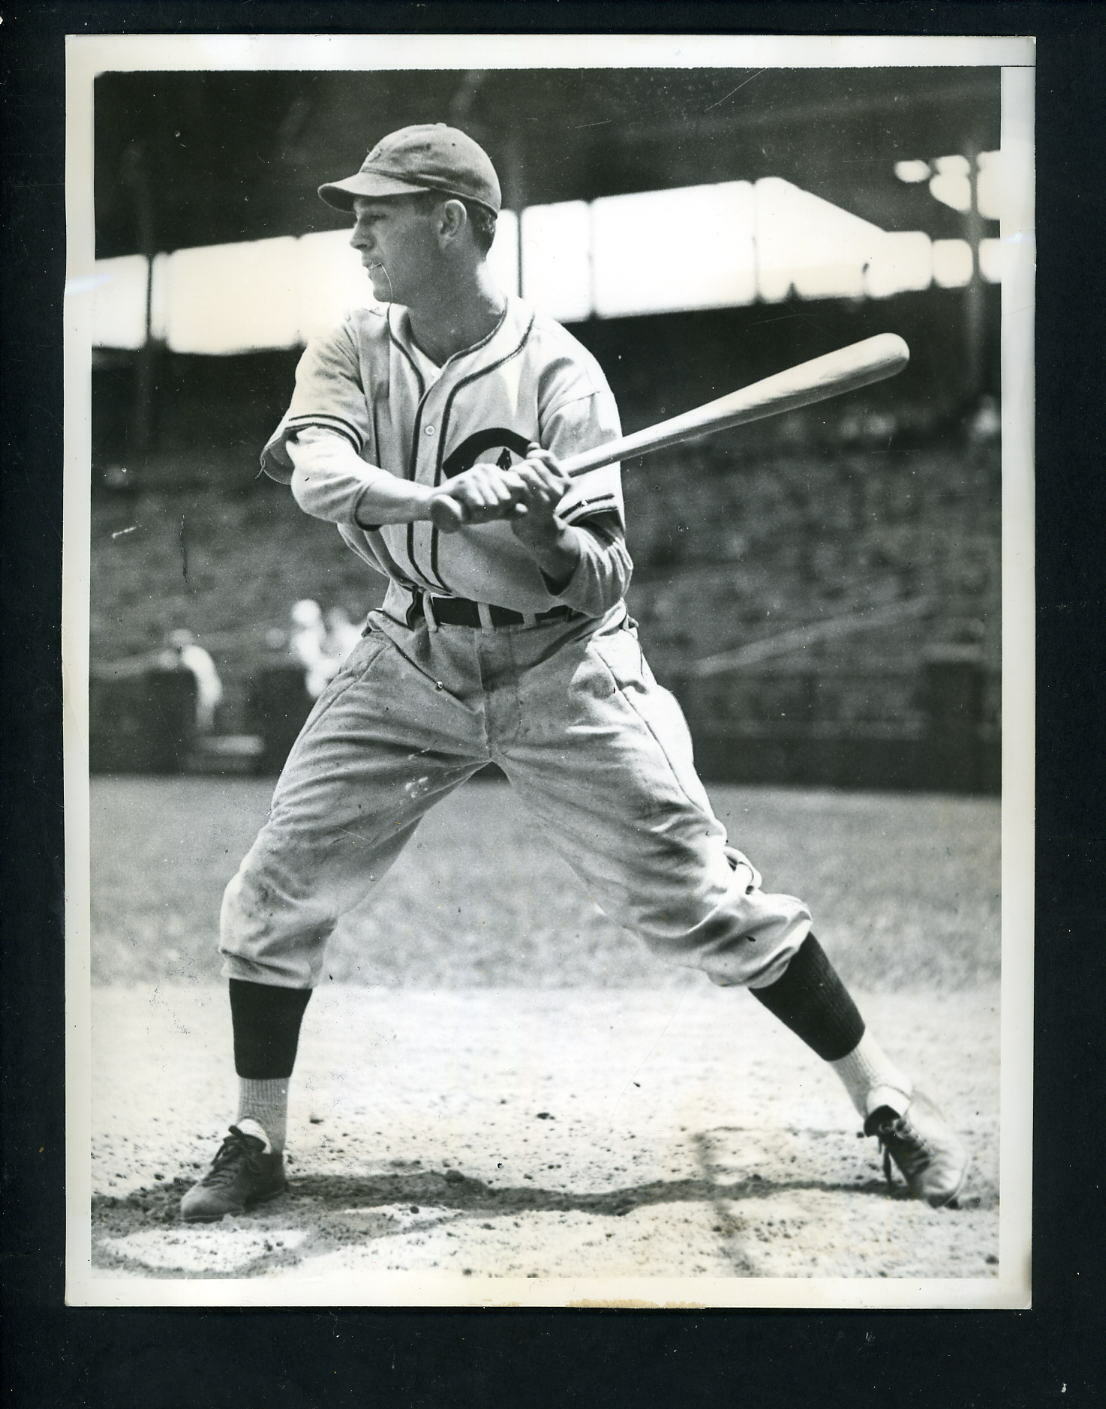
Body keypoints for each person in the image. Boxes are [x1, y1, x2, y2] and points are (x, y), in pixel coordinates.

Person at [180, 124, 968, 1222]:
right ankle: (257, 1130)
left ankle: (885, 1096)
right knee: (272, 886)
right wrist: (437, 501)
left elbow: (597, 581)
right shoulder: (351, 343)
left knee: (702, 898)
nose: (356, 231)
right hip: (409, 655)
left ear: (449, 224)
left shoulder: (560, 374)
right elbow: (319, 473)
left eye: (379, 211)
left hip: (562, 669)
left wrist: (547, 522)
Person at [157, 627, 223, 734]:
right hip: (191, 694)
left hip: (203, 691)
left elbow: (198, 676)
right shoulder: (176, 655)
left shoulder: (194, 654)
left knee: (201, 722)